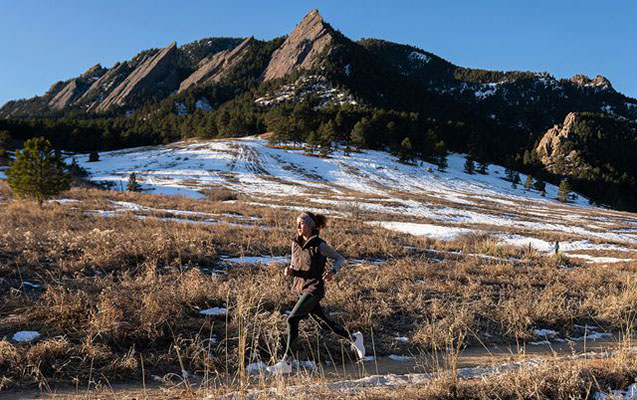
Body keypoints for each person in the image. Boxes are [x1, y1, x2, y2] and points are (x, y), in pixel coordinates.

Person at [267, 211, 365, 374]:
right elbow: (294, 265)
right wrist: (290, 271)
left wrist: (333, 271)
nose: (298, 226)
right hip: (300, 288)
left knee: (292, 320)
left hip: (314, 289)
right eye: (297, 223)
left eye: (302, 223)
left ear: (311, 226)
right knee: (323, 323)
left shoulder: (320, 245)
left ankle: (287, 362)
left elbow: (340, 259)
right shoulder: (295, 243)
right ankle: (354, 339)